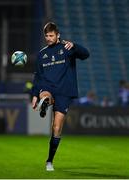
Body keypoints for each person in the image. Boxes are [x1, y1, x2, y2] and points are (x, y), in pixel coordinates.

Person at [31, 22, 90, 171]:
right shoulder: (41, 54)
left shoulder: (67, 48)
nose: (49, 38)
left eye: (51, 35)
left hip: (63, 91)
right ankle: (44, 101)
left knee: (56, 127)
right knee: (45, 94)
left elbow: (86, 54)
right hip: (48, 87)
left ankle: (49, 160)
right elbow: (38, 77)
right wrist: (34, 95)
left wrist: (75, 46)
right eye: (46, 36)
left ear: (58, 35)